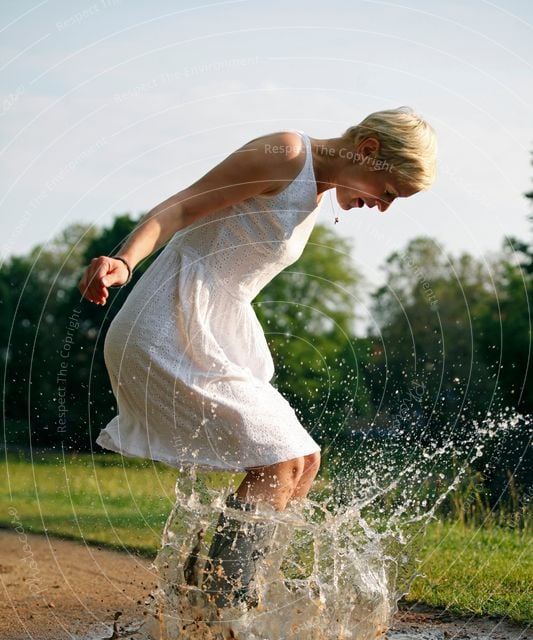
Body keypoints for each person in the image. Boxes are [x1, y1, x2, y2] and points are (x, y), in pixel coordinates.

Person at [78, 106, 437, 608]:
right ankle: (221, 616)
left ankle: (209, 597)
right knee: (280, 460)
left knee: (303, 461)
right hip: (166, 324)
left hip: (211, 330)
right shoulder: (288, 154)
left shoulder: (313, 190)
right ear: (369, 150)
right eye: (390, 193)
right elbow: (182, 208)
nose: (383, 208)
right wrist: (123, 260)